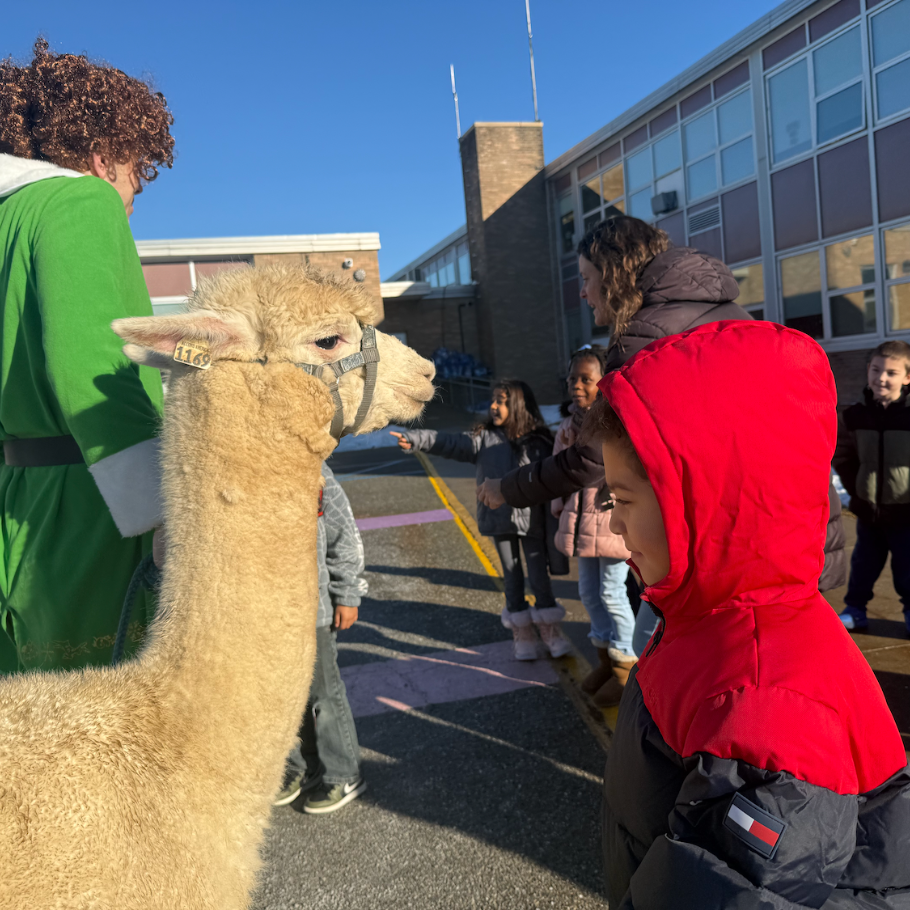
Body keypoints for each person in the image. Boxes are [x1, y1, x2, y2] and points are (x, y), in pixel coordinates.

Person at [585, 320, 908, 908]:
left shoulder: (764, 712)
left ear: (703, 505)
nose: (613, 523)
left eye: (623, 500)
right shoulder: (708, 616)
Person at [477, 215, 846, 654]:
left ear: (612, 274)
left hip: (727, 557)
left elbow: (592, 458)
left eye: (587, 277)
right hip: (799, 537)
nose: (582, 292)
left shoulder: (646, 336)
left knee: (665, 659)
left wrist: (507, 488)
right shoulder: (733, 317)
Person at [0, 39, 175, 671]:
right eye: (136, 179)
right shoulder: (80, 202)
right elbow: (95, 372)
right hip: (85, 515)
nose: (130, 201)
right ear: (105, 156)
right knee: (96, 742)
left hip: (13, 497)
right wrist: (164, 513)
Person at [391, 379, 571, 660]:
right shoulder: (483, 437)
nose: (493, 406)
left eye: (501, 401)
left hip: (533, 522)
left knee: (538, 577)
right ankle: (522, 631)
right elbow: (449, 442)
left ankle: (549, 629)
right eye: (493, 400)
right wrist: (416, 439)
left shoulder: (539, 441)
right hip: (499, 520)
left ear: (519, 405)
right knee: (511, 576)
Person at [275, 464, 368, 814]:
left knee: (323, 695)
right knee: (285, 698)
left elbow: (343, 533)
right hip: (268, 614)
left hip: (312, 609)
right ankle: (303, 766)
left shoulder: (313, 471)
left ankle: (343, 773)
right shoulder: (248, 469)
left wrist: (347, 594)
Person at [552, 345, 635, 706]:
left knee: (613, 592)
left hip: (609, 519)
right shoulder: (569, 425)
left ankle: (625, 664)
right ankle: (605, 659)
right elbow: (557, 468)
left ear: (604, 381)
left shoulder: (615, 420)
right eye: (573, 378)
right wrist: (558, 505)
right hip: (583, 521)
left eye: (586, 378)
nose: (577, 385)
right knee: (588, 592)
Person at [833, 340, 910, 636]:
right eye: (876, 370)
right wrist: (856, 488)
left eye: (891, 372)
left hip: (906, 513)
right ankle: (855, 610)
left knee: (908, 569)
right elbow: (843, 453)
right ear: (867, 371)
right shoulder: (854, 415)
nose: (881, 378)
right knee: (863, 564)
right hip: (869, 511)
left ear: (906, 377)